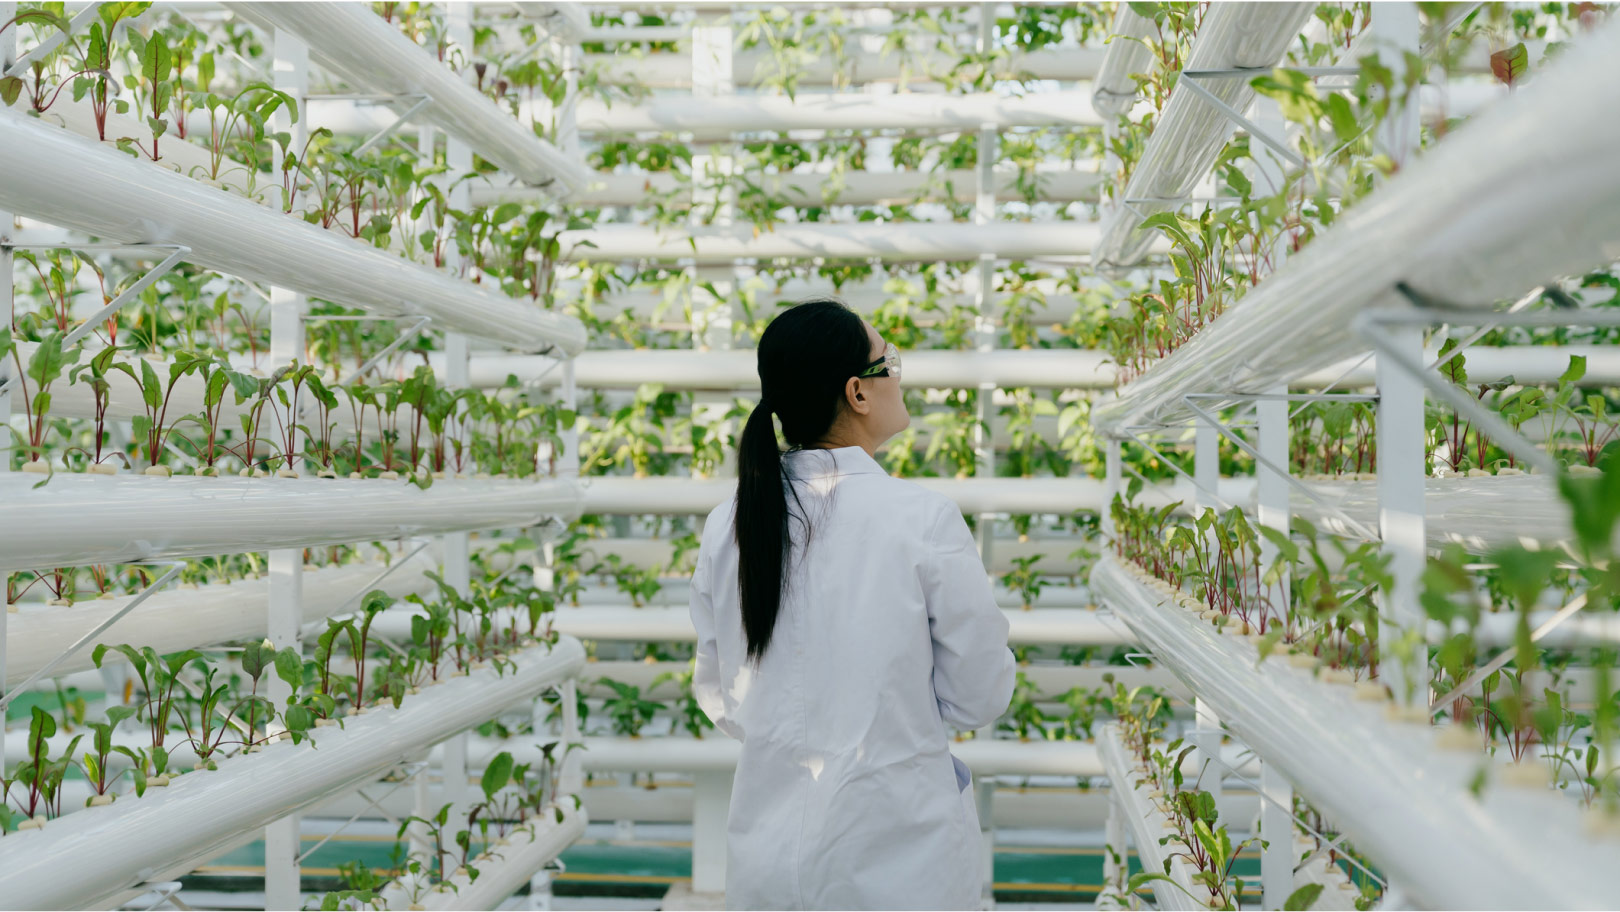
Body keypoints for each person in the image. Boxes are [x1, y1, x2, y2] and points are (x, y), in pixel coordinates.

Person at [688, 297, 1016, 910]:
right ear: (857, 394)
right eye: (889, 362)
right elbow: (981, 694)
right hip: (900, 861)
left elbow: (723, 697)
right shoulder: (921, 520)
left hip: (768, 862)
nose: (899, 374)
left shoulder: (727, 524)